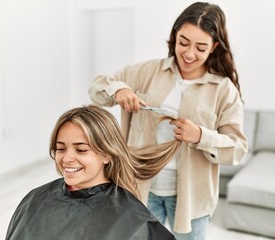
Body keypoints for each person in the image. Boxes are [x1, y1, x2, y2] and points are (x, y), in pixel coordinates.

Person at [89, 2, 248, 239]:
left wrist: (201, 137)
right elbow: (96, 87)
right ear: (174, 36)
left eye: (201, 47)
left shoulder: (224, 90)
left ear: (214, 47)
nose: (189, 53)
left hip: (192, 200)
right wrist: (118, 90)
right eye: (183, 42)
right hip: (140, 190)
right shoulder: (147, 72)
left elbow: (237, 150)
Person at [5, 105, 177, 240]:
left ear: (107, 154)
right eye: (60, 148)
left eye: (81, 150)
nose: (67, 158)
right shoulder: (34, 199)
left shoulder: (132, 217)